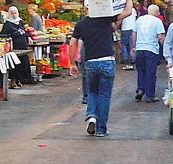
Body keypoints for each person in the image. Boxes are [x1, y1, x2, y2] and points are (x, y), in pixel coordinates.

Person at [70, 0, 135, 137]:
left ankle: (92, 115)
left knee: (92, 92)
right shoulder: (107, 19)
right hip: (107, 61)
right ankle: (101, 129)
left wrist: (72, 63)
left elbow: (72, 43)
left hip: (90, 62)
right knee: (104, 95)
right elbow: (128, 11)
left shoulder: (81, 24)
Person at [132, 4, 166, 103]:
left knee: (141, 71)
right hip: (151, 49)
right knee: (150, 73)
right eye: (158, 11)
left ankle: (141, 89)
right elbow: (160, 37)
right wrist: (165, 48)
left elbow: (134, 33)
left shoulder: (139, 20)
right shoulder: (158, 21)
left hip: (140, 48)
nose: (159, 13)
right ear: (156, 12)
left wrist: (134, 47)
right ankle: (150, 95)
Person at [0, 6, 33, 88]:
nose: (14, 15)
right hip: (14, 46)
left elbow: (24, 31)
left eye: (15, 13)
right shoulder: (7, 24)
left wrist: (28, 37)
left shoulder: (20, 21)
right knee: (14, 63)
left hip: (23, 45)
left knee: (23, 62)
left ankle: (20, 79)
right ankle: (13, 80)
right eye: (12, 13)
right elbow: (3, 35)